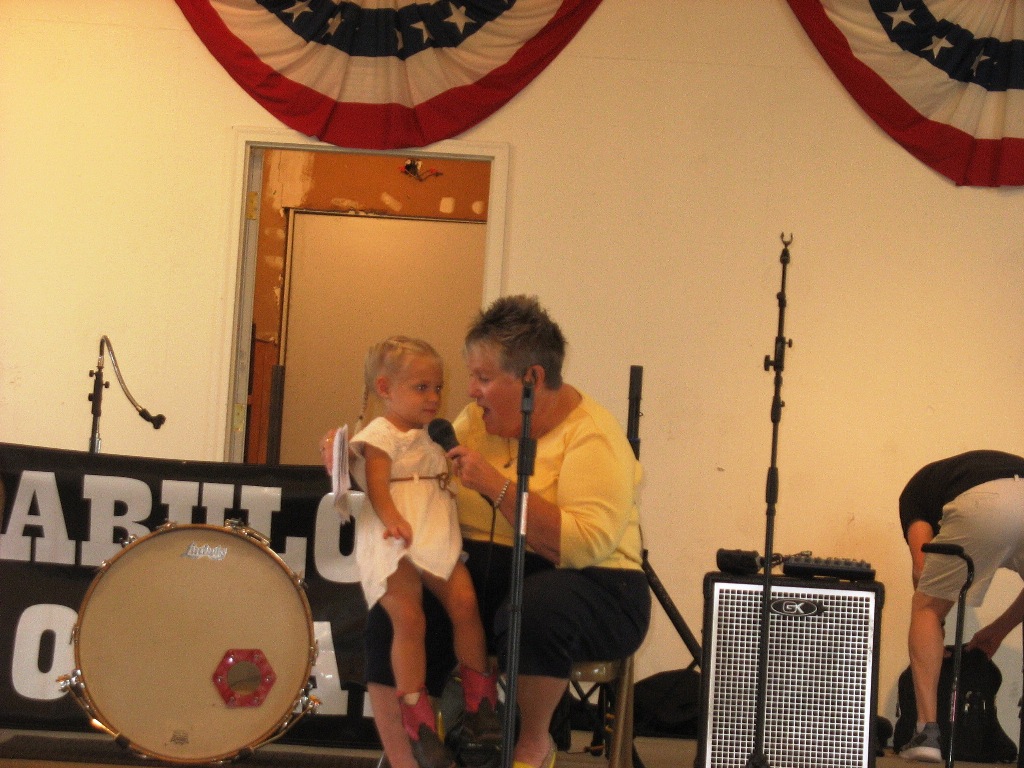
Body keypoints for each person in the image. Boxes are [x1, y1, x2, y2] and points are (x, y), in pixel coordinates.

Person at [358, 296, 651, 768]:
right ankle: (407, 755)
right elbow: (399, 460)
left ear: (531, 378)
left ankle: (533, 741)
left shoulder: (593, 435)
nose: (470, 391)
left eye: (483, 378)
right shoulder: (475, 423)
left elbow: (580, 546)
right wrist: (345, 452)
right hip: (490, 573)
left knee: (533, 609)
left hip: (593, 584)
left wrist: (498, 488)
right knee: (394, 611)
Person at [330, 336, 501, 768]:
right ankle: (417, 716)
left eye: (438, 388)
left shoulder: (434, 435)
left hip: (434, 530)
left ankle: (481, 703)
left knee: (464, 603)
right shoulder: (379, 436)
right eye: (421, 388)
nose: (433, 397)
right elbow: (377, 487)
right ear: (385, 388)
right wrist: (391, 520)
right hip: (395, 536)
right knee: (409, 618)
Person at [899, 449, 1024, 762]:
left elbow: (922, 570)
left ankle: (927, 733)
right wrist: (998, 630)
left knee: (926, 606)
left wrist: (937, 626)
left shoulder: (914, 495)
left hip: (988, 502)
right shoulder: (954, 473)